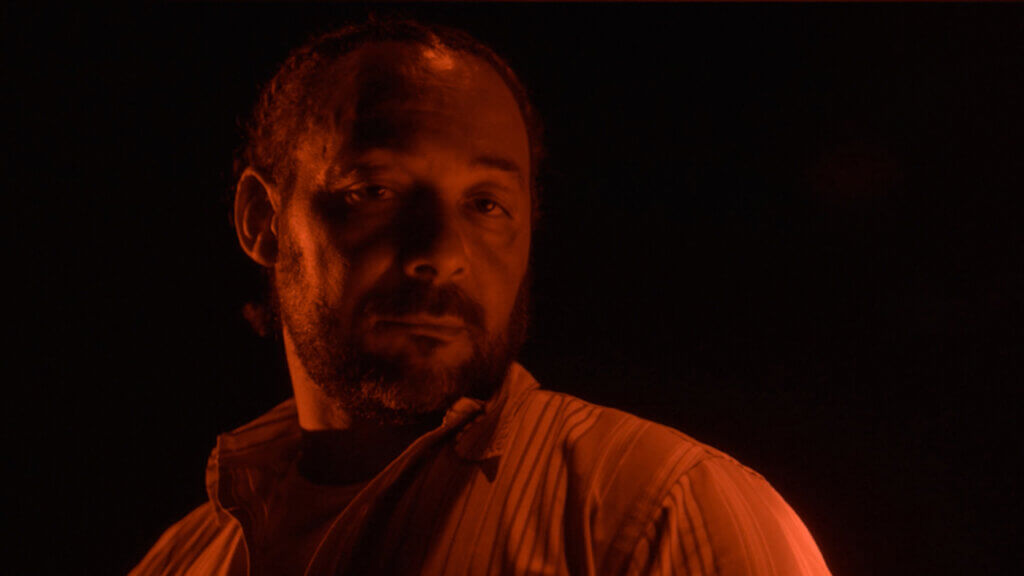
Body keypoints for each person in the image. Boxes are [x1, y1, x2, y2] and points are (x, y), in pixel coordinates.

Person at [130, 19, 832, 576]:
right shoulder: (180, 562)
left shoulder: (662, 513)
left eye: (487, 204)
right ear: (262, 221)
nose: (440, 254)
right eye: (375, 191)